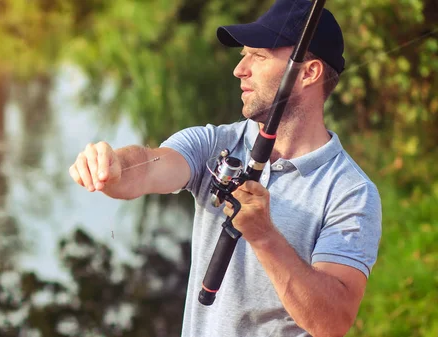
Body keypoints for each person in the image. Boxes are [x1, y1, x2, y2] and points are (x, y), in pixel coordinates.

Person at [68, 0, 382, 336]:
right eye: (242, 55)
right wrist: (115, 165)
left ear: (309, 72)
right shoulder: (213, 143)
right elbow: (147, 168)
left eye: (258, 56)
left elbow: (332, 322)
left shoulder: (351, 192)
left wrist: (264, 237)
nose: (240, 69)